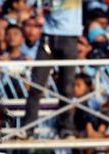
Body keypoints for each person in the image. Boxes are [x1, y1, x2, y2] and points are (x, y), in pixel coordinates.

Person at [22, 0, 82, 138]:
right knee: (36, 85)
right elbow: (37, 6)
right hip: (48, 36)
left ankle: (66, 128)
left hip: (69, 36)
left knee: (67, 86)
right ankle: (28, 128)